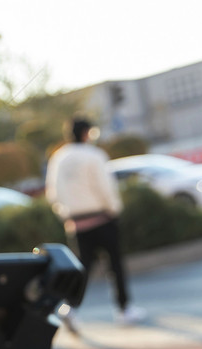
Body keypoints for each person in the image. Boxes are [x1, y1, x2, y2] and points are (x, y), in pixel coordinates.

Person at [45, 117, 146, 328]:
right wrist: (115, 209)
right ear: (86, 133)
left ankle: (70, 307)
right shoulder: (94, 155)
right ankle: (124, 309)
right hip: (102, 217)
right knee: (115, 265)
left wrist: (65, 213)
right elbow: (105, 187)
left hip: (76, 222)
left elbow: (53, 192)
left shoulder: (59, 158)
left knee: (83, 267)